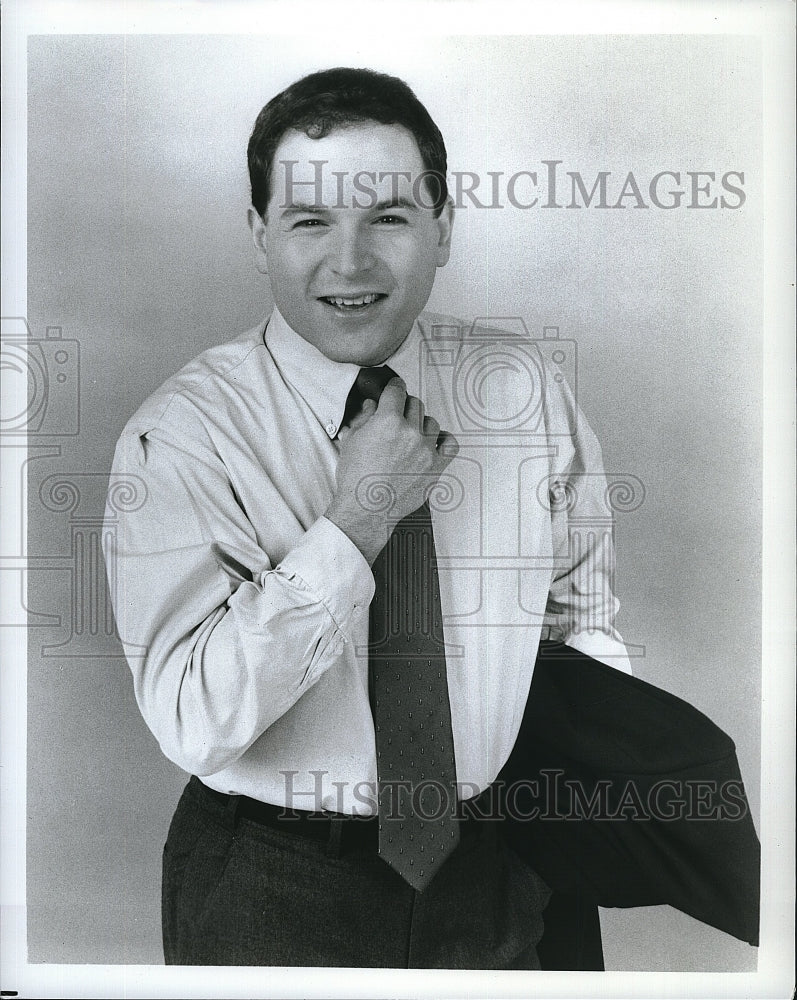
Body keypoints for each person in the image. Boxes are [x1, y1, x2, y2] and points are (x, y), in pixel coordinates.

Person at [104, 66, 631, 969]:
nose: (350, 262)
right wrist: (357, 521)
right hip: (276, 884)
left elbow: (577, 622)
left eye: (387, 215)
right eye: (310, 220)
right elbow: (193, 719)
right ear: (258, 234)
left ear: (444, 228)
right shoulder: (182, 434)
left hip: (505, 863)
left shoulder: (520, 388)